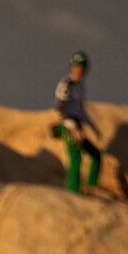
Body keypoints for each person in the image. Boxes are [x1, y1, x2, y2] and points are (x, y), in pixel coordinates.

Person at [53, 51, 101, 193]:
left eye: (82, 67)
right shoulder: (67, 84)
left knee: (96, 154)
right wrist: (72, 127)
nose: (79, 70)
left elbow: (80, 110)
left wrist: (93, 126)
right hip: (68, 125)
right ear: (71, 67)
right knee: (76, 156)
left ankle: (90, 186)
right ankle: (73, 191)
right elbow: (60, 108)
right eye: (76, 66)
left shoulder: (81, 86)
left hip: (77, 123)